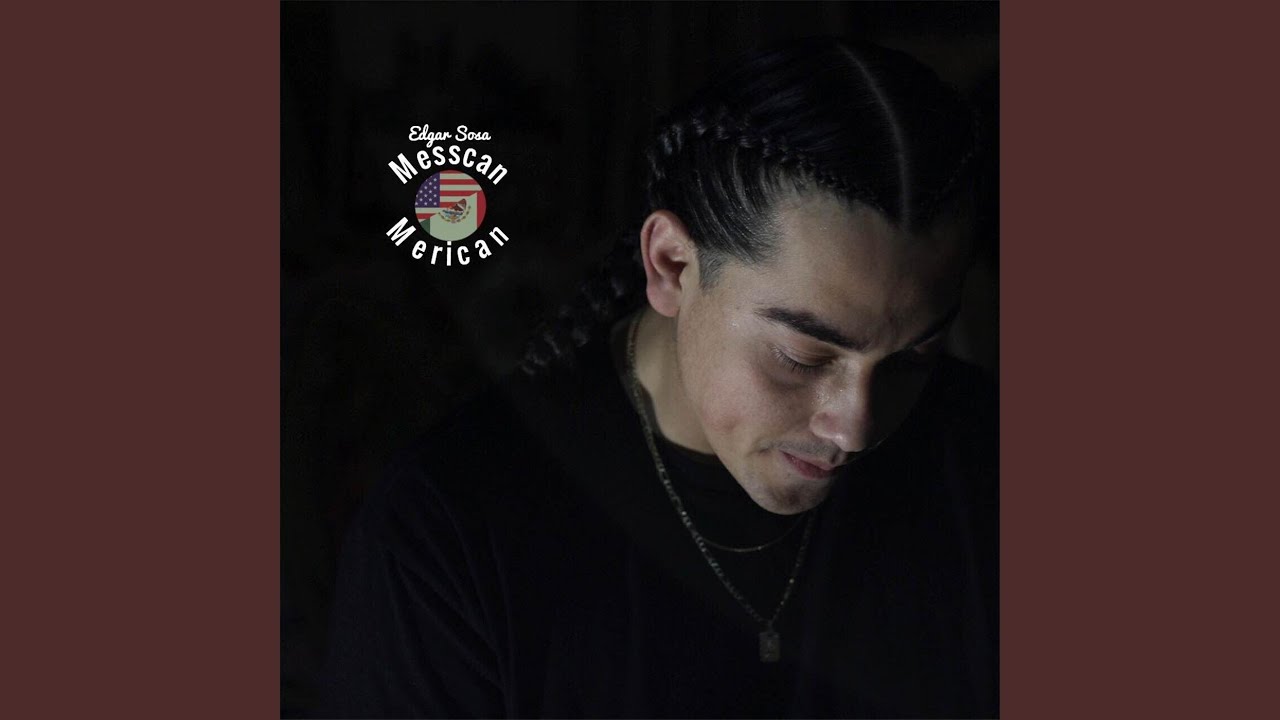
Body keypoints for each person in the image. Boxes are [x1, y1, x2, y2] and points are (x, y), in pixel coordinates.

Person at [316, 36, 996, 718]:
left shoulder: (988, 468)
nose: (855, 428)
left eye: (913, 356)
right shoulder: (449, 532)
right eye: (803, 357)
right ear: (671, 265)